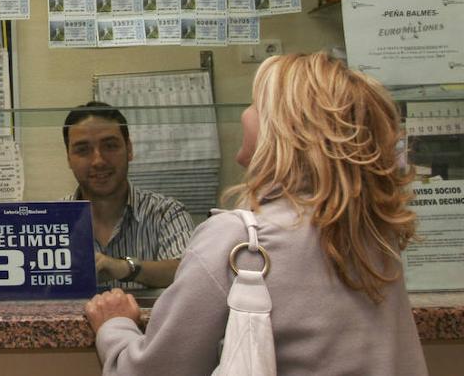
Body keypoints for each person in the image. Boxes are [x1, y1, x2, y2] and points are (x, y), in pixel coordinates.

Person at [84, 52, 425, 375]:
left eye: (255, 104)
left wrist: (115, 325)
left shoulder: (240, 240)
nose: (244, 113)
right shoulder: (373, 231)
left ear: (285, 129)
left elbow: (153, 371)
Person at [64, 101, 193, 290]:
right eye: (83, 150)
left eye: (110, 146)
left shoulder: (166, 213)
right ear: (68, 158)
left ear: (129, 149)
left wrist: (125, 268)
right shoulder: (49, 218)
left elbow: (190, 271)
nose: (98, 161)